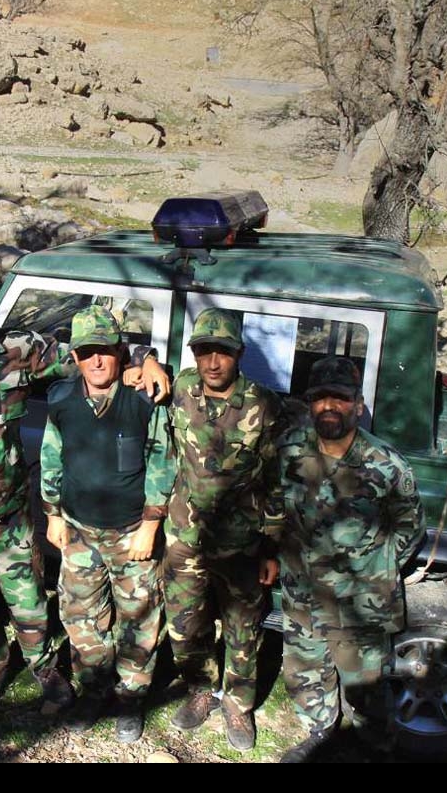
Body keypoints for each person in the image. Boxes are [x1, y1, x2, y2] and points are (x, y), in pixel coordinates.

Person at [0, 264, 169, 710]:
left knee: (27, 598)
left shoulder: (18, 348)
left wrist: (145, 360)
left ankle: (44, 668)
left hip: (9, 510)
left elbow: (90, 351)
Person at [276, 356, 426, 763]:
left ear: (357, 405)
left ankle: (375, 747)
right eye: (320, 398)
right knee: (306, 676)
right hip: (303, 595)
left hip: (360, 604)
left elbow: (409, 529)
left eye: (339, 398)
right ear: (309, 404)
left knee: (368, 689)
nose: (328, 406)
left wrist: (369, 567)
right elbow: (273, 506)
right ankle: (318, 733)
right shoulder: (289, 450)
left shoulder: (386, 466)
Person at [40, 306, 176, 743]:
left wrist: (151, 524)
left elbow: (161, 460)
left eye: (104, 351)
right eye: (86, 353)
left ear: (120, 353)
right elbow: (50, 456)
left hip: (131, 530)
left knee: (139, 616)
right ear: (75, 357)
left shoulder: (142, 398)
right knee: (81, 614)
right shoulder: (61, 399)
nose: (96, 361)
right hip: (79, 530)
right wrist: (52, 514)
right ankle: (95, 688)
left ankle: (131, 696)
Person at [164, 307, 285, 751]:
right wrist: (144, 360)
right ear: (194, 354)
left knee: (242, 629)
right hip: (185, 537)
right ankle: (199, 689)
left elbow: (276, 479)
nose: (213, 362)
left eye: (224, 352)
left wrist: (271, 545)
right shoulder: (180, 388)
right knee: (185, 624)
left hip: (240, 543)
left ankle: (238, 704)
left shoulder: (263, 405)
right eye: (204, 351)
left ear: (240, 353)